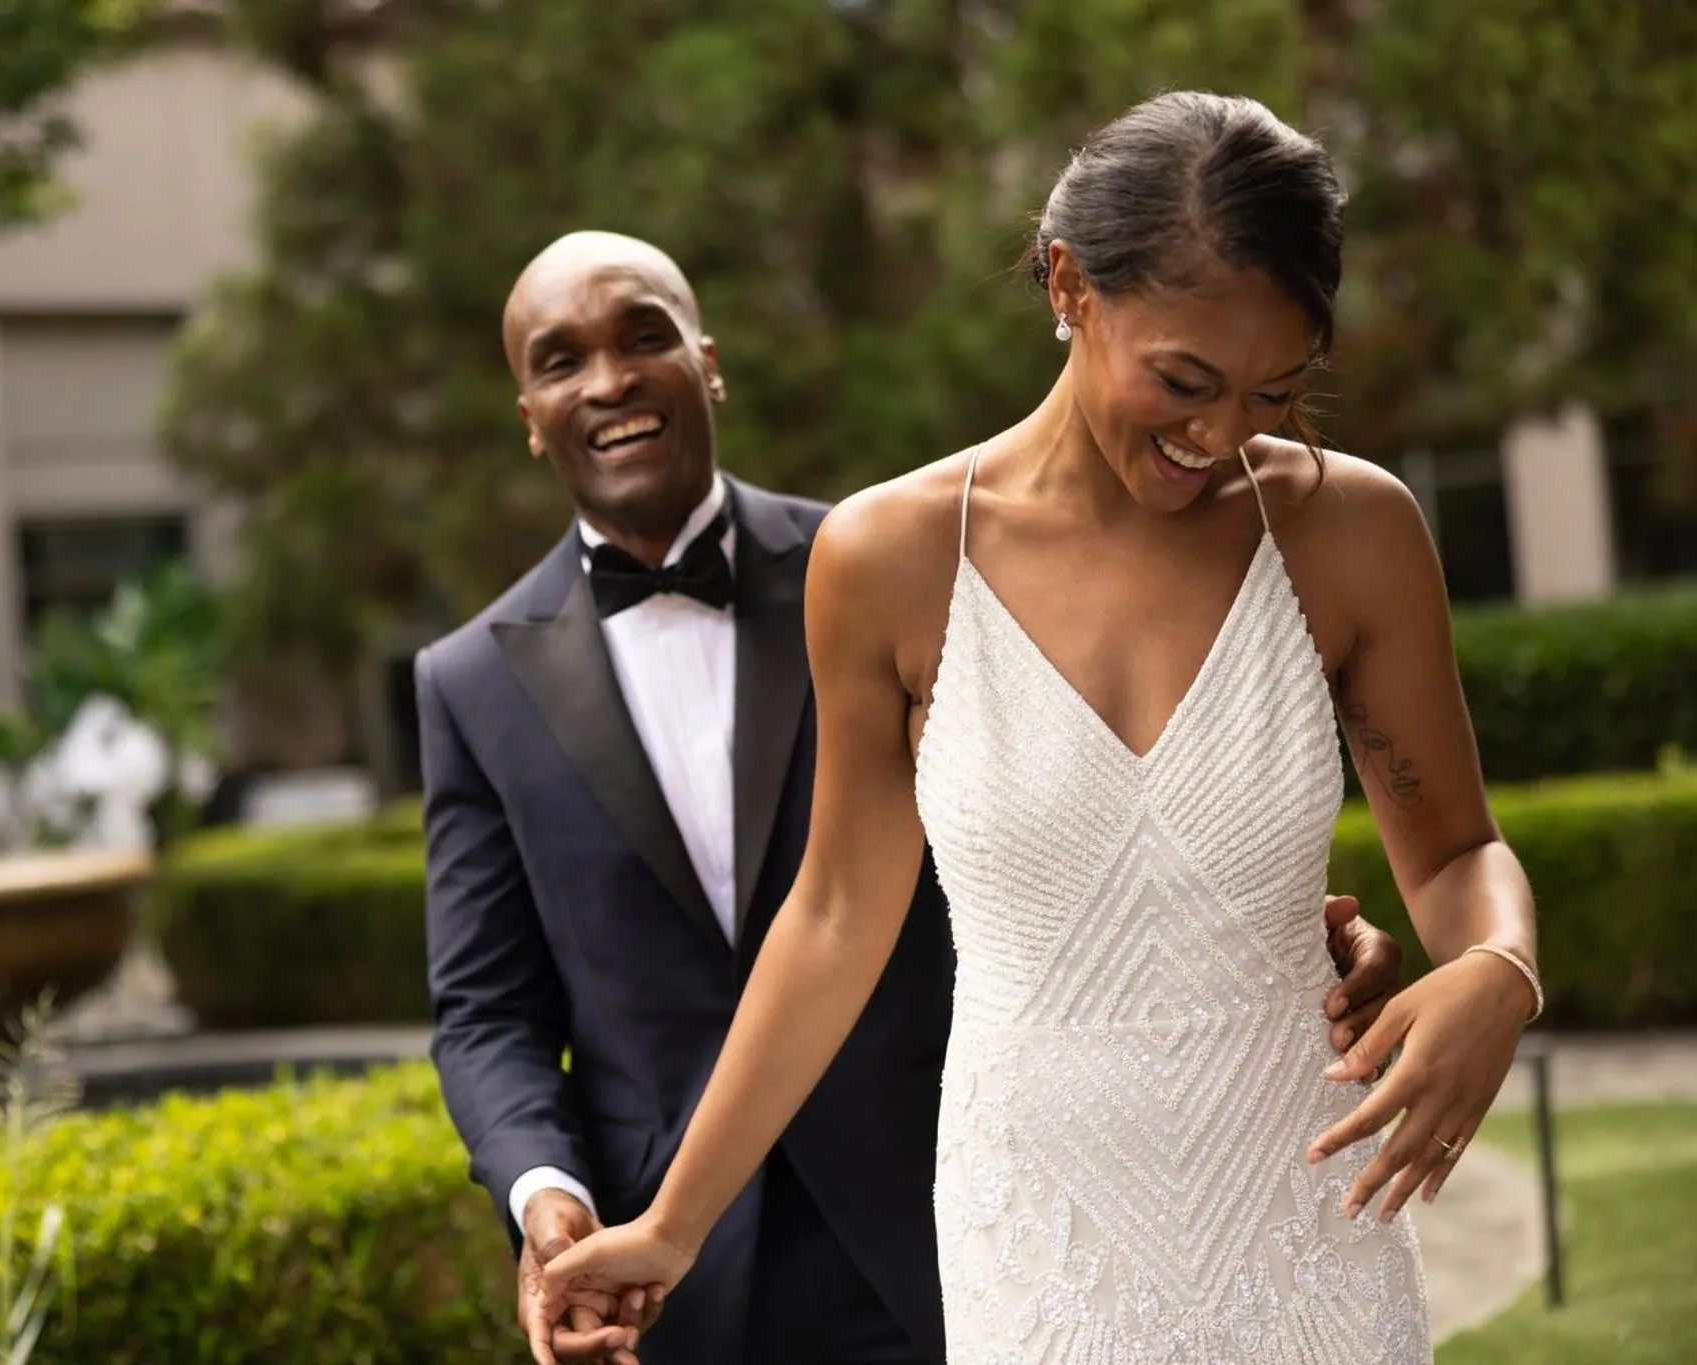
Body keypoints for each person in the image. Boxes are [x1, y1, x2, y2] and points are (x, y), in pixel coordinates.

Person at [533, 94, 1542, 1365]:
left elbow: (1453, 856)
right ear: (1068, 284)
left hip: (1305, 1226)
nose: (1218, 433)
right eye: (1182, 379)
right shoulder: (889, 557)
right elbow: (837, 914)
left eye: (1271, 392)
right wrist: (670, 1228)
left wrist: (1496, 973)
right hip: (1039, 1241)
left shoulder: (1352, 531)